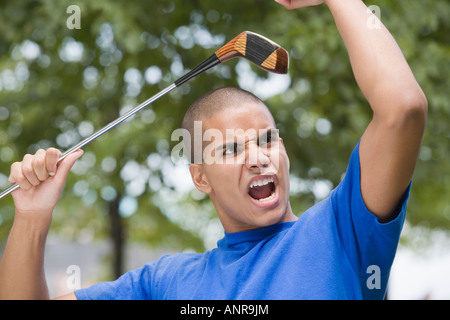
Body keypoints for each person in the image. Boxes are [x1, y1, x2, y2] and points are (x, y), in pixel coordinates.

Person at [0, 0, 427, 300]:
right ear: (199, 176)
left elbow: (402, 109)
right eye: (230, 150)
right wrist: (32, 218)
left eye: (266, 139)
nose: (258, 157)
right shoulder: (163, 283)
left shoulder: (342, 231)